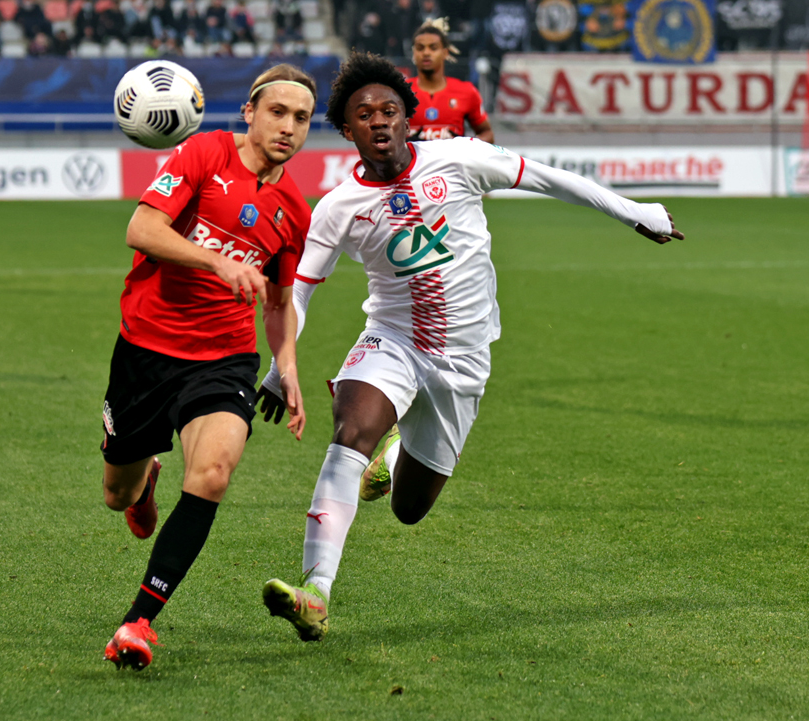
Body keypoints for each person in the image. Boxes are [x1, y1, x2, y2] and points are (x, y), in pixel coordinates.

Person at [256, 52, 682, 641]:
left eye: (389, 110)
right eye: (363, 114)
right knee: (350, 430)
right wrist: (282, 366)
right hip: (392, 339)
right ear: (346, 130)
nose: (378, 121)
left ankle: (400, 456)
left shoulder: (459, 157)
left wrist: (636, 211)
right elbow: (297, 291)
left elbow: (552, 179)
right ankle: (316, 593)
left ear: (408, 118)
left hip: (463, 361)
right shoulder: (336, 209)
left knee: (409, 509)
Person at [100, 64, 318, 672]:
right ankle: (143, 481)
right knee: (117, 496)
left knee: (215, 473)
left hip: (223, 358)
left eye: (301, 118)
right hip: (145, 348)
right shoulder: (203, 152)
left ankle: (138, 621)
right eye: (277, 112)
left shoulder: (294, 210)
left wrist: (287, 364)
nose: (288, 127)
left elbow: (278, 303)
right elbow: (141, 229)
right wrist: (216, 263)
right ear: (249, 112)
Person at [406, 18, 491, 142]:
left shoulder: (467, 91)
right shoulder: (400, 91)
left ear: (445, 52)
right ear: (414, 53)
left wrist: (469, 149)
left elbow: (487, 133)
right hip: (414, 162)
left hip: (453, 162)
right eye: (420, 48)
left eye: (433, 48)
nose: (426, 53)